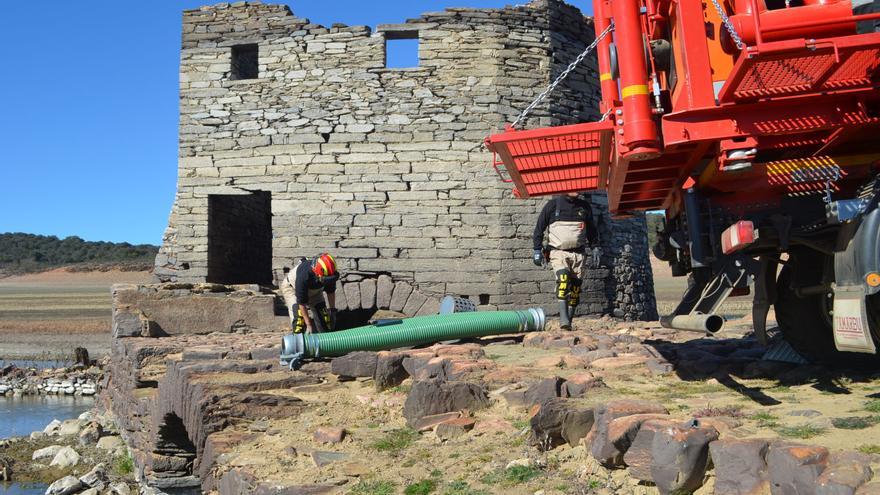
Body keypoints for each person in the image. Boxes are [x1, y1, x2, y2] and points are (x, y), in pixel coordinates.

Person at [533, 192, 600, 330]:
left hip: (578, 254)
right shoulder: (552, 205)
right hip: (558, 252)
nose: (577, 190)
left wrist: (595, 248)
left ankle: (568, 320)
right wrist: (537, 250)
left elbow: (592, 230)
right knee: (563, 280)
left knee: (575, 290)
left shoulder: (584, 207)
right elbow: (539, 228)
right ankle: (563, 320)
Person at [280, 253, 339, 334]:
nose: (327, 282)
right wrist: (309, 325)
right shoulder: (304, 276)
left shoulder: (330, 273)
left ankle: (324, 344)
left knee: (325, 319)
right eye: (324, 280)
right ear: (317, 274)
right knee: (299, 322)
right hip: (292, 289)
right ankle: (299, 343)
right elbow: (301, 303)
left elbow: (330, 292)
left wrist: (332, 311)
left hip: (315, 293)